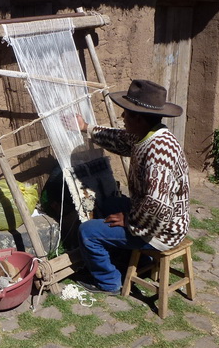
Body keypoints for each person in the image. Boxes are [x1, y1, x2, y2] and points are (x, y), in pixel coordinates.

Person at [70, 79, 190, 294]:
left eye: (126, 113)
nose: (122, 117)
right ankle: (134, 258)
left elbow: (157, 206)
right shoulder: (149, 134)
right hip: (159, 218)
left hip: (162, 231)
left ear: (139, 118)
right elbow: (119, 138)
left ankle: (109, 282)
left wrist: (130, 221)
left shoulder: (158, 154)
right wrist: (86, 128)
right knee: (110, 204)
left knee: (87, 232)